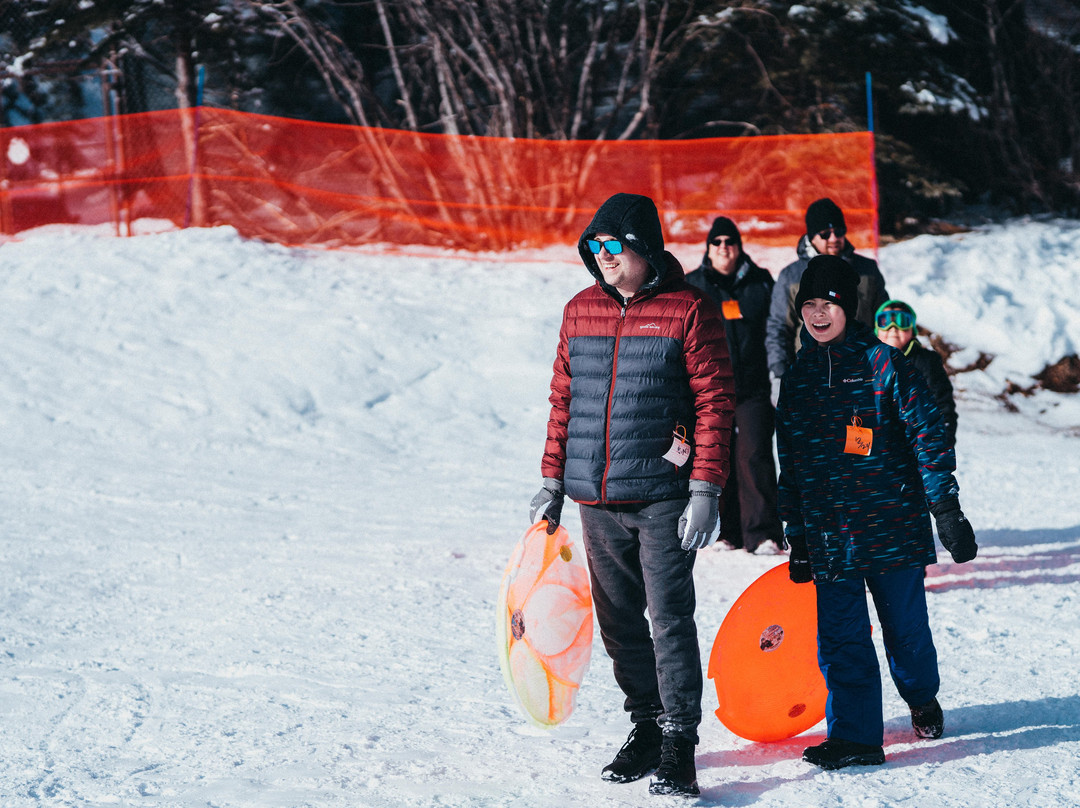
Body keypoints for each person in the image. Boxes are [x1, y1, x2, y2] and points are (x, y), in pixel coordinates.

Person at [529, 192, 735, 797]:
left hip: (663, 495)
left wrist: (706, 488)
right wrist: (552, 479)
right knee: (618, 622)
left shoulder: (689, 309)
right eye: (594, 245)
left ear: (644, 248)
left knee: (669, 620)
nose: (603, 255)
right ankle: (645, 725)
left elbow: (715, 402)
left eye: (614, 244)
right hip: (596, 498)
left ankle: (679, 741)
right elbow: (564, 401)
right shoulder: (580, 310)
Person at [775, 255, 978, 771]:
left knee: (906, 635)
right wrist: (797, 532)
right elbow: (790, 461)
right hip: (829, 535)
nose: (818, 314)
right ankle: (856, 737)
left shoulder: (885, 364)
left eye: (828, 304)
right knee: (841, 640)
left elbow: (928, 436)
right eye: (809, 305)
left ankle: (921, 696)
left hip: (892, 528)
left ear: (849, 307)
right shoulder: (798, 377)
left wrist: (945, 508)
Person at [686, 216, 784, 553]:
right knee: (718, 456)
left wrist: (777, 373)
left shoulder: (761, 282)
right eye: (717, 242)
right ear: (708, 248)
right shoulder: (693, 284)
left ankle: (763, 533)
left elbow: (775, 330)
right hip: (712, 388)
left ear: (739, 247)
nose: (724, 248)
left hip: (754, 387)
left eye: (730, 242)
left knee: (755, 453)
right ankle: (725, 532)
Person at [766, 197, 889, 382]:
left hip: (861, 373)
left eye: (839, 232)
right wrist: (780, 373)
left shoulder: (867, 270)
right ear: (811, 237)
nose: (834, 239)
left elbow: (884, 321)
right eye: (825, 234)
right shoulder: (791, 277)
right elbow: (779, 329)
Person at [875, 299, 958, 447]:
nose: (893, 328)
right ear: (876, 331)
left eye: (902, 322)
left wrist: (941, 443)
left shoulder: (926, 362)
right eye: (885, 322)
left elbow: (942, 405)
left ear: (912, 331)